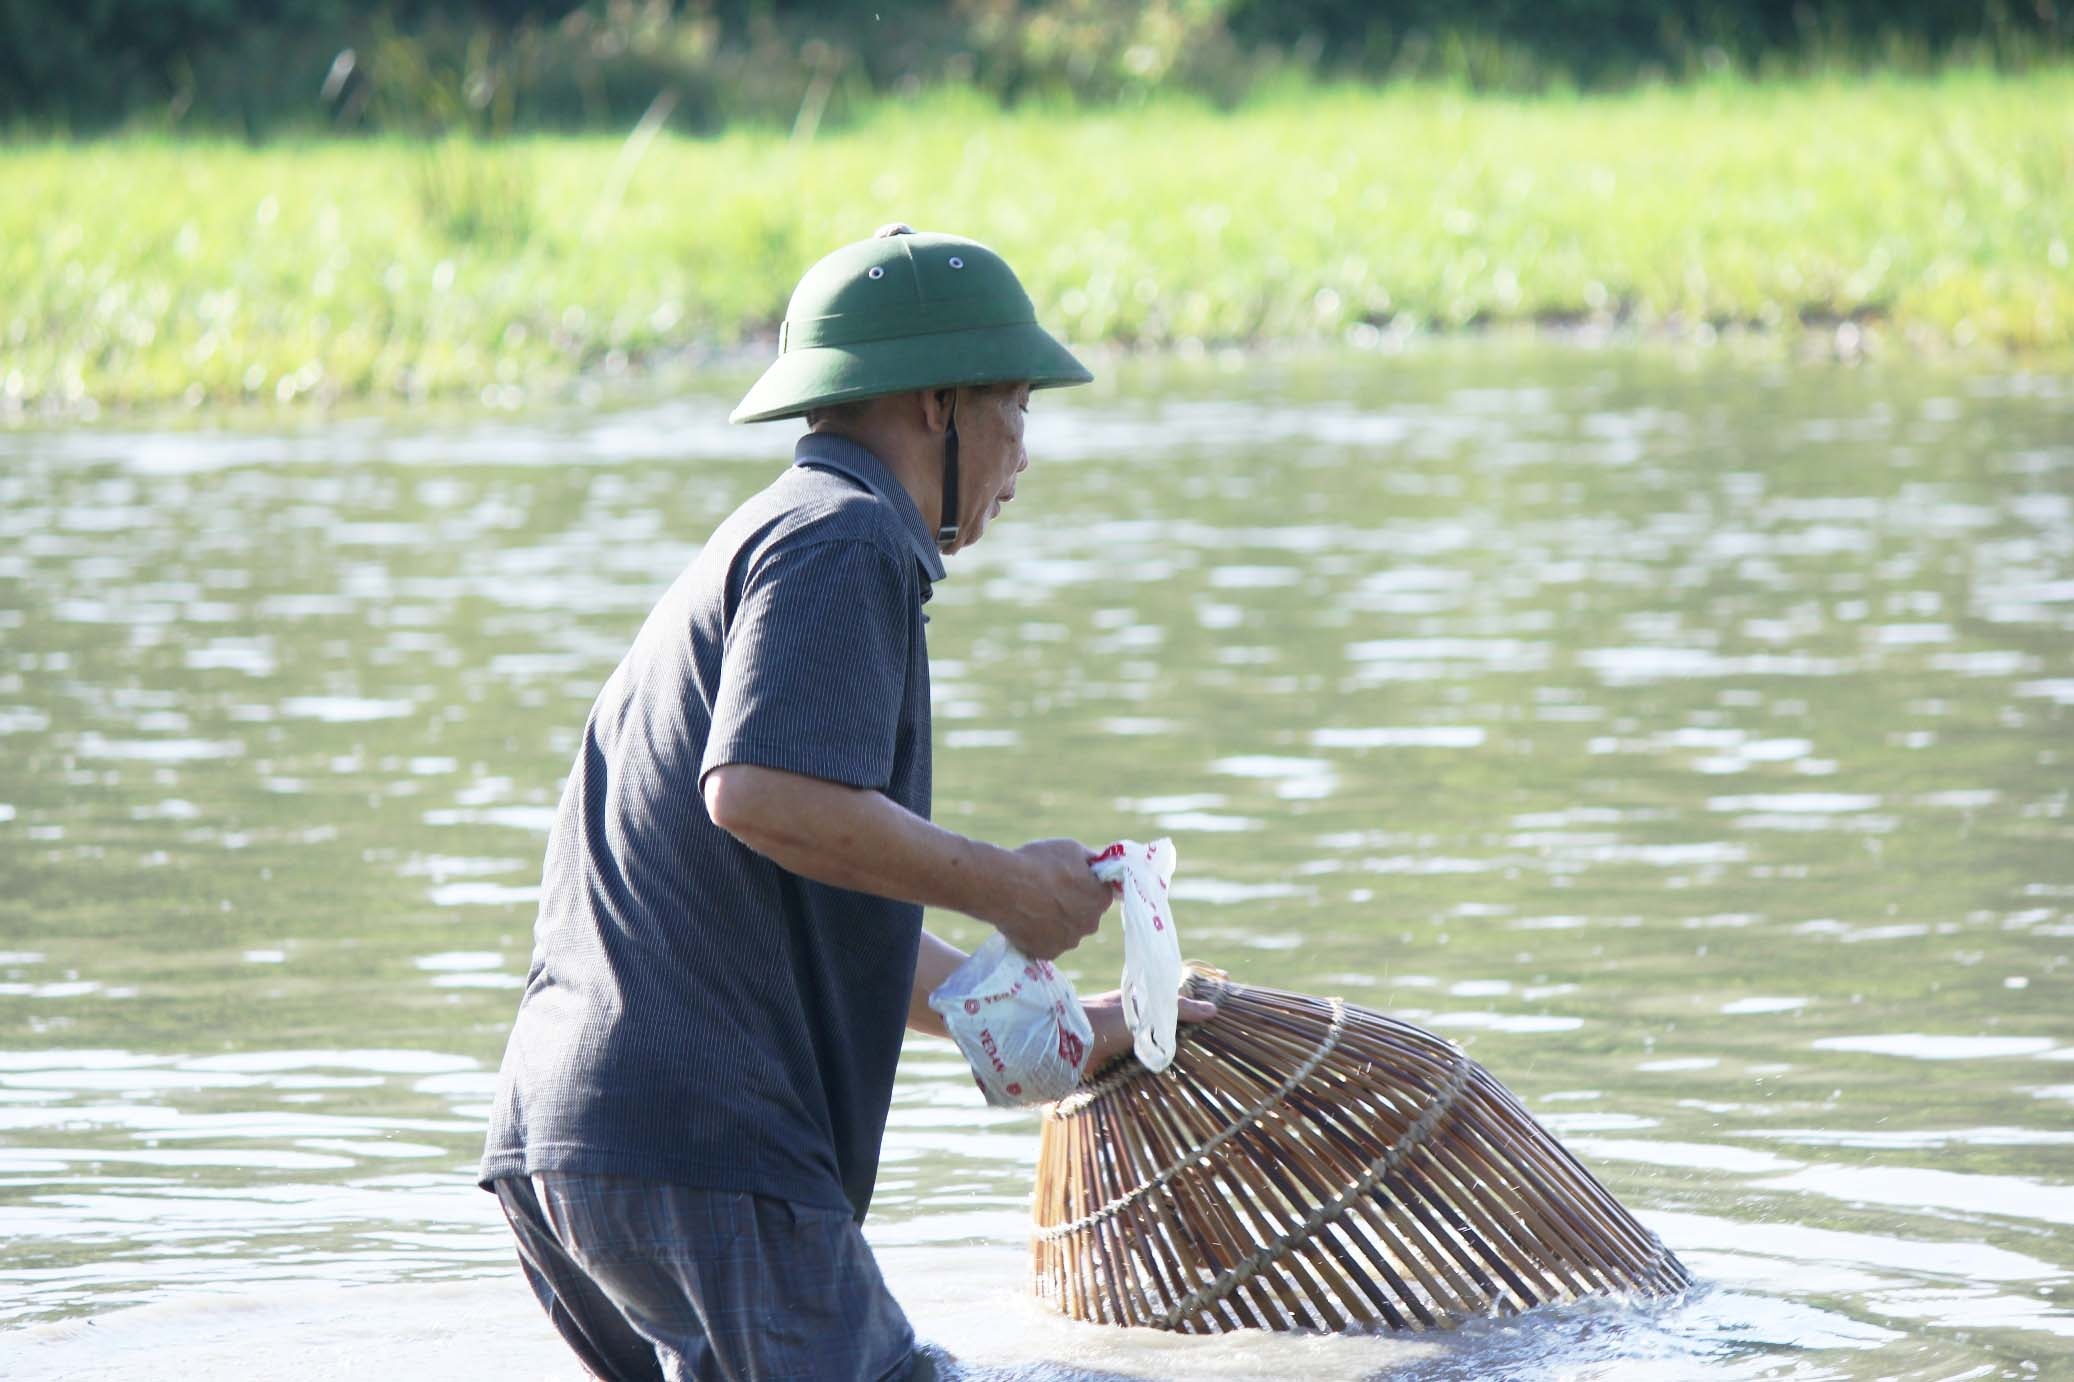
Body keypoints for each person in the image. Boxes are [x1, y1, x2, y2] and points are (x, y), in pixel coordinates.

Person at [479, 224, 1208, 1382]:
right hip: (709, 1144)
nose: (1024, 449)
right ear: (935, 406)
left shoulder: (779, 531)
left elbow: (807, 889)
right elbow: (758, 795)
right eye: (1015, 404)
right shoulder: (846, 536)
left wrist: (1036, 1022)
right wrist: (1008, 884)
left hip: (573, 1145)